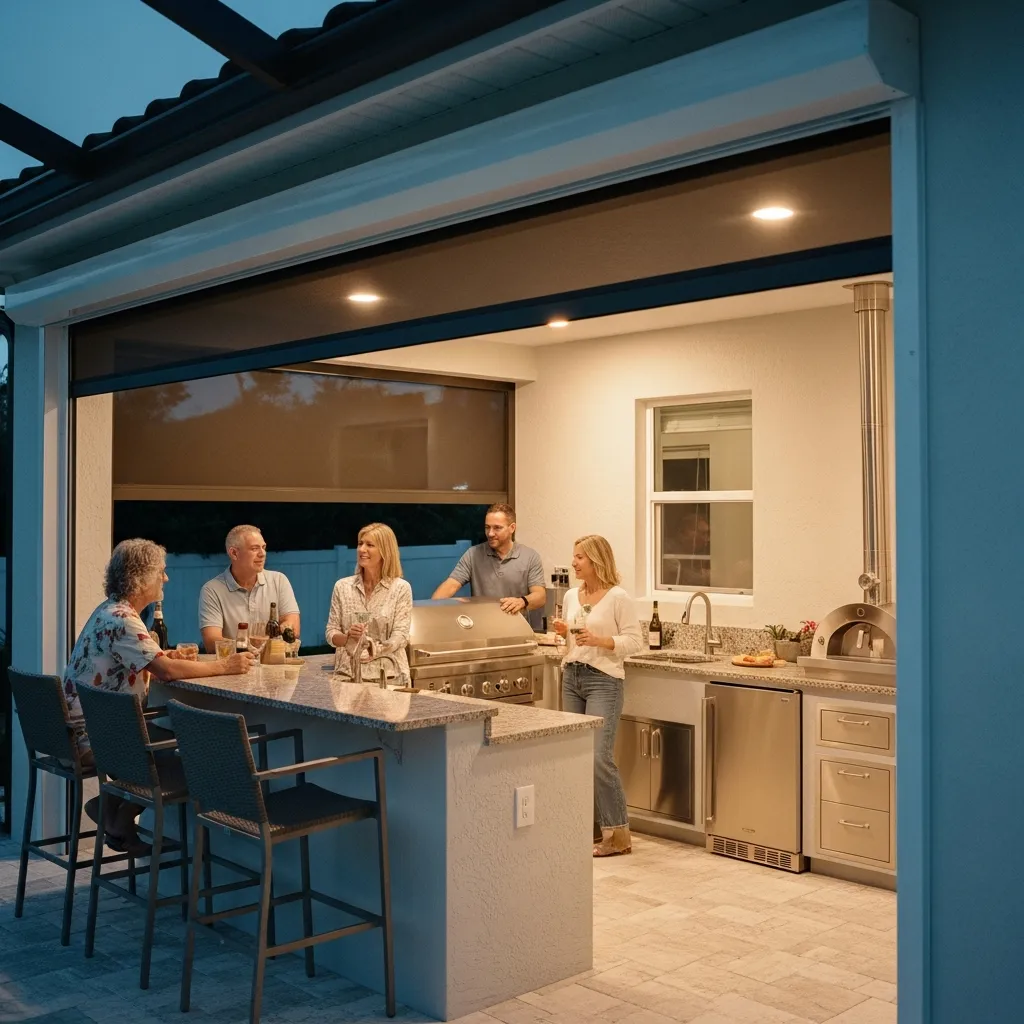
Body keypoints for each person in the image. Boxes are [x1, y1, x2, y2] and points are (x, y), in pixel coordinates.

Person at [64, 538, 254, 855]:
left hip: (88, 729)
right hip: (97, 737)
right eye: (161, 572)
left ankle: (114, 814)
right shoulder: (124, 619)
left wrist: (163, 657)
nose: (165, 578)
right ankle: (117, 815)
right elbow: (166, 671)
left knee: (172, 748)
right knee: (198, 761)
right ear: (141, 577)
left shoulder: (109, 610)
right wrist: (226, 665)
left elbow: (137, 661)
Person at [552, 534, 642, 858]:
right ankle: (585, 831)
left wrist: (602, 641)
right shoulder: (571, 596)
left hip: (604, 680)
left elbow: (635, 641)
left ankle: (617, 835)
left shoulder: (619, 598)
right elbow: (569, 645)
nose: (573, 562)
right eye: (574, 556)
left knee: (598, 756)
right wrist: (563, 637)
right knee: (576, 756)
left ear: (596, 560)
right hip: (572, 676)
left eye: (579, 557)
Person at [326, 523, 413, 684]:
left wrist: (376, 648)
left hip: (390, 678)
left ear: (385, 551)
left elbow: (401, 636)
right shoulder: (342, 587)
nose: (361, 549)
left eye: (370, 545)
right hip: (348, 677)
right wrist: (348, 639)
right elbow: (331, 632)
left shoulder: (400, 588)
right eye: (360, 543)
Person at [431, 503, 546, 625]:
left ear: (512, 528)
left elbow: (540, 596)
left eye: (497, 528)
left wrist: (522, 602)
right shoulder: (473, 554)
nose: (490, 533)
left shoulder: (530, 556)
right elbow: (451, 585)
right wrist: (430, 610)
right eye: (487, 527)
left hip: (518, 628)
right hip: (483, 629)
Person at [199, 525, 300, 653]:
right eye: (254, 548)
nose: (262, 554)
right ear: (234, 553)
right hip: (234, 669)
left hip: (273, 665)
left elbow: (294, 626)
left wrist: (287, 626)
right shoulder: (212, 590)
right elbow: (211, 642)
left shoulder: (279, 580)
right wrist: (248, 646)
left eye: (263, 547)